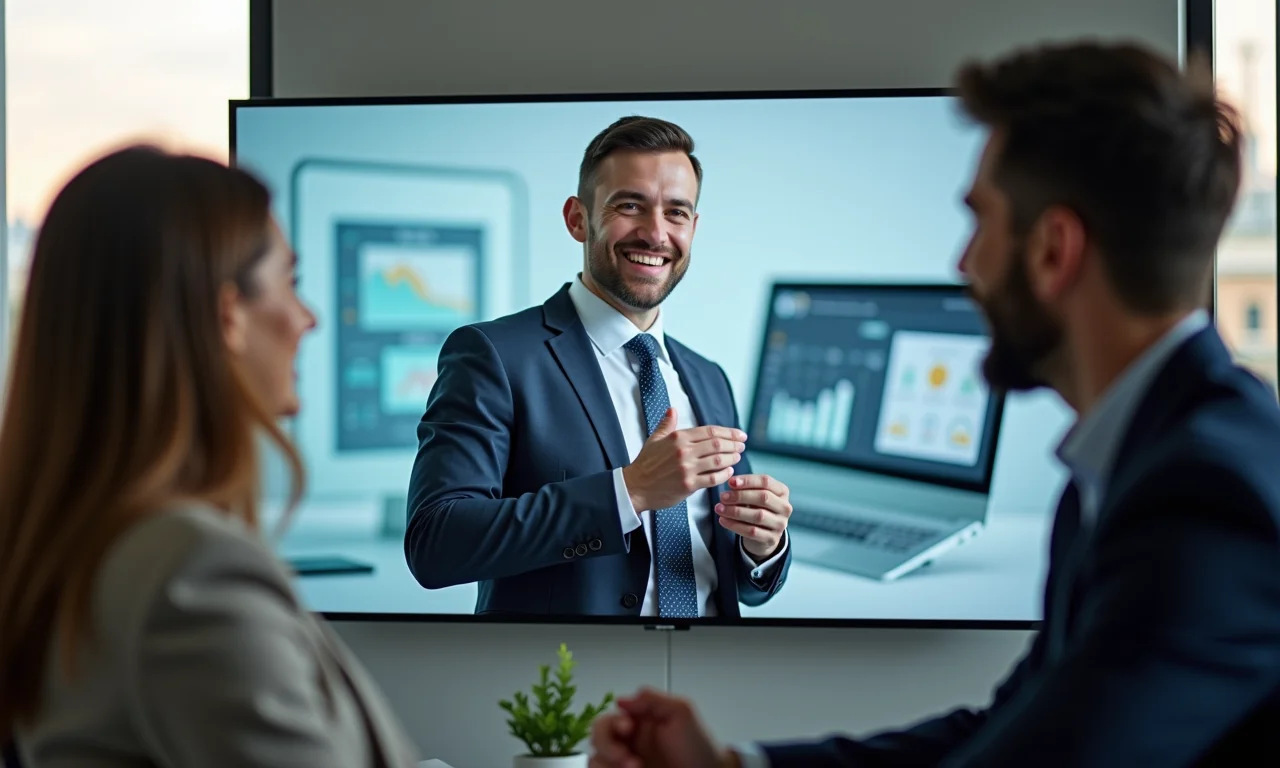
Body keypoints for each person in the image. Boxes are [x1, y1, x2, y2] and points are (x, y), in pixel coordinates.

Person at [590, 40, 1280, 767]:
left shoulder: (1207, 492)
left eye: (980, 221)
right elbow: (1014, 723)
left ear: (1053, 251)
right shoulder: (1134, 467)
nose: (963, 263)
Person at [0, 146, 420, 767]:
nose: (308, 319)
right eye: (291, 284)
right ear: (228, 316)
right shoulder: (191, 574)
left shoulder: (86, 546)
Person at [405, 116, 793, 617]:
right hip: (572, 677)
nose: (656, 233)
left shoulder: (708, 377)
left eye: (676, 212)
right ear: (577, 219)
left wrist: (762, 547)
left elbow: (739, 582)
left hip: (711, 670)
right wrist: (629, 491)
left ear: (692, 229)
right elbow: (436, 544)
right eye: (630, 206)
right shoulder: (494, 356)